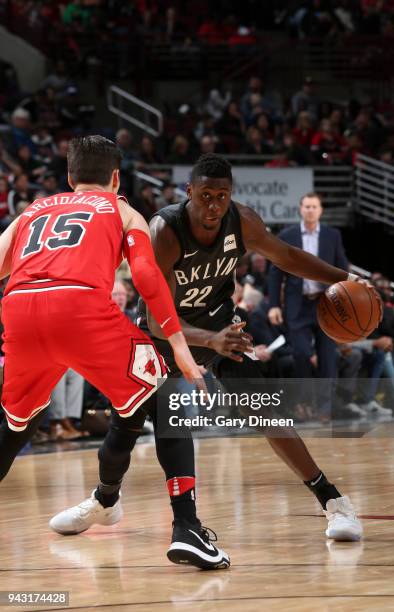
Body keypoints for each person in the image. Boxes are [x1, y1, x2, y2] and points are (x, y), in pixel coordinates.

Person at [51, 153, 367, 563]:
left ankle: (333, 500)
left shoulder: (242, 221)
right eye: (206, 196)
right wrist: (211, 339)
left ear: (230, 195)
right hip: (163, 340)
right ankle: (104, 501)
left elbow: (286, 256)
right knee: (123, 431)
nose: (214, 205)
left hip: (221, 332)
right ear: (189, 193)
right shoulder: (165, 231)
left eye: (221, 196)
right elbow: (156, 320)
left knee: (267, 413)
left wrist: (347, 279)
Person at [0, 136, 223, 565]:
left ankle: (106, 499)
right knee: (165, 392)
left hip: (19, 309)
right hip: (80, 310)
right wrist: (177, 344)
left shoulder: (33, 209)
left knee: (15, 426)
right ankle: (187, 528)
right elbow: (144, 273)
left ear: (69, 177)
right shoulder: (121, 210)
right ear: (116, 178)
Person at [267, 193, 364, 420]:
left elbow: (341, 268)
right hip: (297, 303)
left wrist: (350, 298)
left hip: (325, 304)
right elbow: (275, 272)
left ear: (320, 211)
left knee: (327, 357)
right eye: (307, 206)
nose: (310, 210)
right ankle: (302, 404)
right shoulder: (287, 235)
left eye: (314, 207)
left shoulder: (332, 235)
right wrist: (273, 305)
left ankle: (323, 409)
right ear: (300, 209)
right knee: (301, 353)